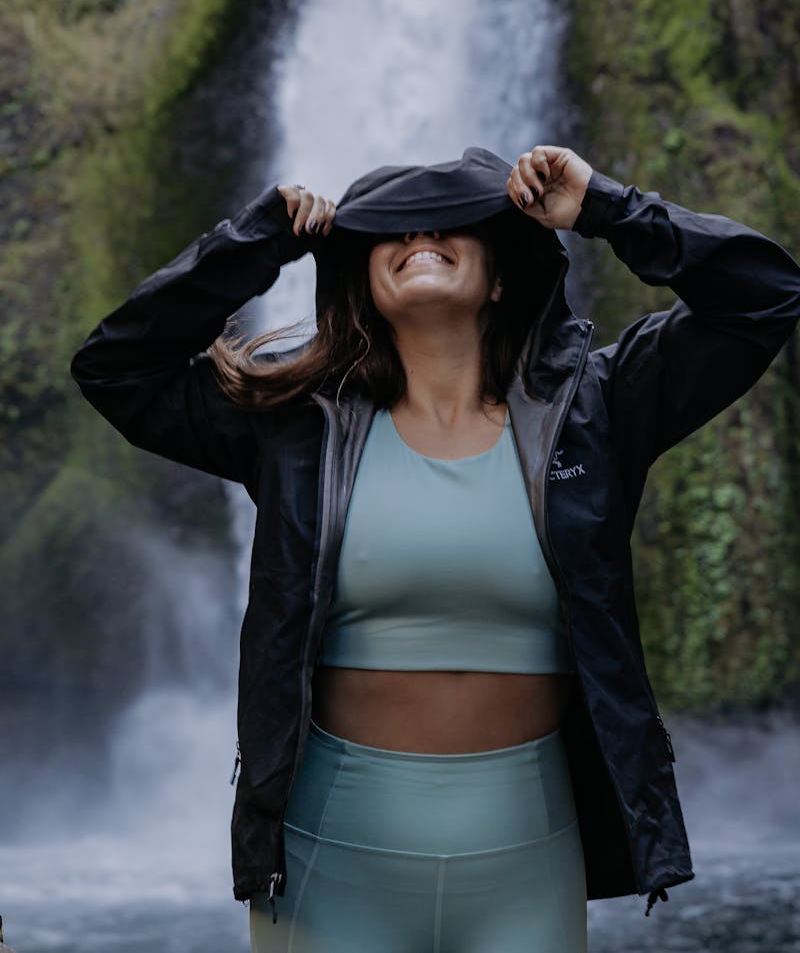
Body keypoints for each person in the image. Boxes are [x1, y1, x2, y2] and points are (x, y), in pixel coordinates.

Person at [71, 144, 800, 953]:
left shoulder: (596, 410)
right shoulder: (293, 425)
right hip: (330, 855)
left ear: (499, 275)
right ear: (365, 282)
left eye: (452, 220)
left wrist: (604, 206)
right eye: (391, 228)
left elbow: (764, 298)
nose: (420, 233)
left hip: (529, 852)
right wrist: (257, 242)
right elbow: (115, 370)